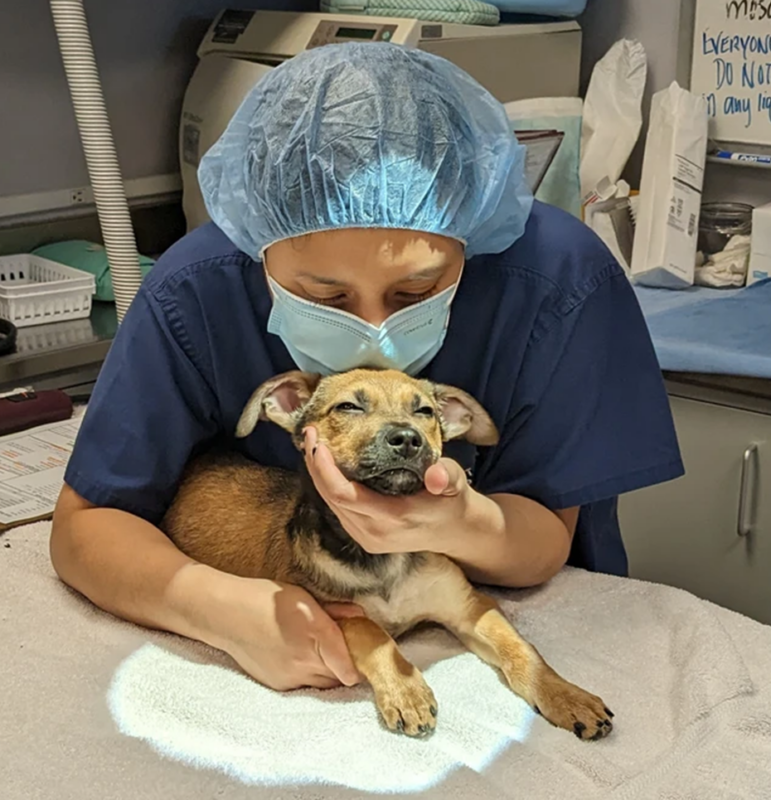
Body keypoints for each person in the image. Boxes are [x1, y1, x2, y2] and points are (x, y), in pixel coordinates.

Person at [50, 43, 683, 693]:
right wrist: (225, 611)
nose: (375, 332)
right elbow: (85, 528)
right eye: (326, 298)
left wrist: (460, 522)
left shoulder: (556, 280)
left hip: (499, 615)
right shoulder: (197, 291)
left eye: (415, 293)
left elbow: (545, 539)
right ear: (262, 252)